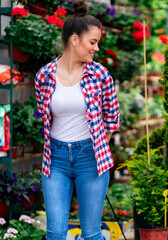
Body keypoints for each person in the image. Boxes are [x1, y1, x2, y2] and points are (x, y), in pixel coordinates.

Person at [34, 0, 120, 239]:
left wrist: (97, 148)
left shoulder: (100, 74)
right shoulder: (44, 76)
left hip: (90, 157)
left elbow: (112, 119)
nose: (97, 49)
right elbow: (45, 115)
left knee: (92, 233)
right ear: (74, 40)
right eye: (93, 42)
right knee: (55, 233)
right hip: (56, 160)